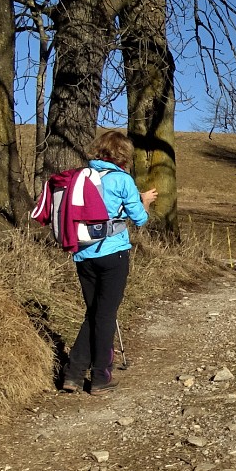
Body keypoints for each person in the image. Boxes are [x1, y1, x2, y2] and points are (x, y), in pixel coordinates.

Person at [61, 131, 157, 395]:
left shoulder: (81, 178)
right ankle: (101, 376)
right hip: (112, 254)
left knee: (93, 313)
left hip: (82, 254)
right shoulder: (122, 179)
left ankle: (74, 374)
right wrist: (144, 201)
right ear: (123, 154)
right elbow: (140, 219)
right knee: (104, 315)